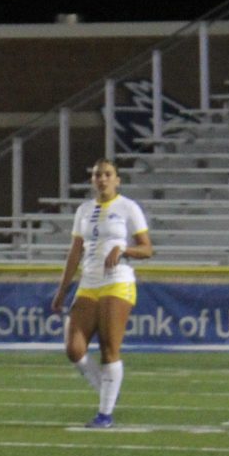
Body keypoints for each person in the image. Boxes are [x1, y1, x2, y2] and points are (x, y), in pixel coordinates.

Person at [50, 159, 153, 429]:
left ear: (117, 180)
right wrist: (62, 290)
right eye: (97, 175)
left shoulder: (128, 208)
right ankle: (107, 390)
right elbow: (75, 252)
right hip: (88, 283)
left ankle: (104, 414)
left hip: (117, 281)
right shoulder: (84, 210)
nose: (102, 179)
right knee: (74, 349)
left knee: (109, 348)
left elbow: (147, 248)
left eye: (107, 174)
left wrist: (124, 251)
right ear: (92, 180)